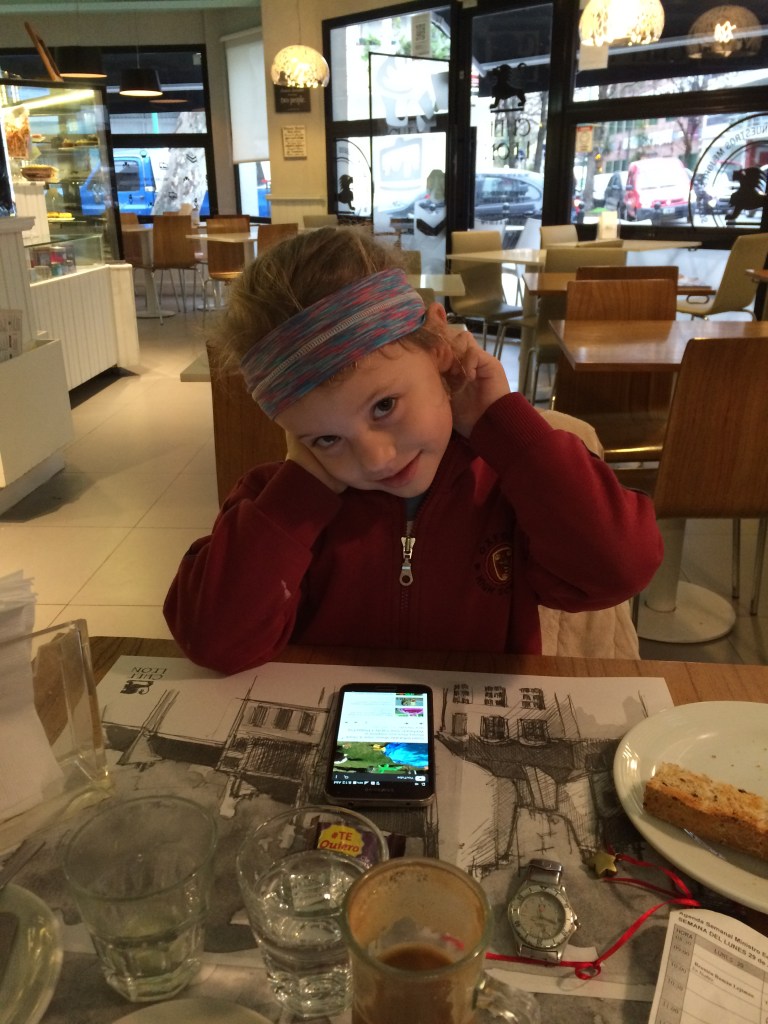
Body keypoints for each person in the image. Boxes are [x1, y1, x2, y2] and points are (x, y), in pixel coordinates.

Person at [164, 227, 662, 674]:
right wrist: (299, 488)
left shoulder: (511, 483)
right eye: (325, 439)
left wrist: (506, 427)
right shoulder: (276, 503)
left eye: (384, 406)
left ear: (439, 345)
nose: (376, 460)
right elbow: (214, 642)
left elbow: (619, 569)